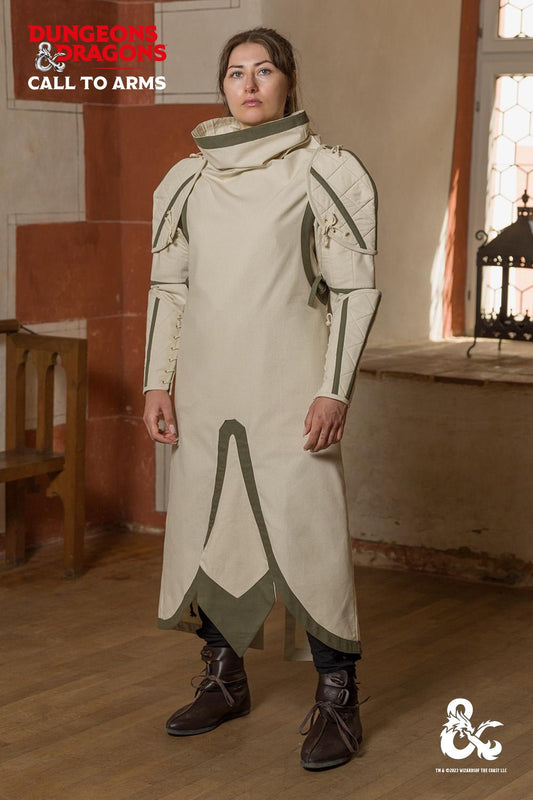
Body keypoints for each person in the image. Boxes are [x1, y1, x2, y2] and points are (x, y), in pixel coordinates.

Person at [142, 27, 380, 771]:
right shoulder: (187, 182)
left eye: (264, 70)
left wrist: (333, 390)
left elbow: (353, 291)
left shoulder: (322, 173)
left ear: (287, 82)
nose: (248, 84)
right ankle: (224, 678)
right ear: (222, 86)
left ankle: (338, 702)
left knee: (309, 535)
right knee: (213, 528)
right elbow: (169, 289)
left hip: (291, 393)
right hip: (208, 391)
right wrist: (156, 381)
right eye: (235, 72)